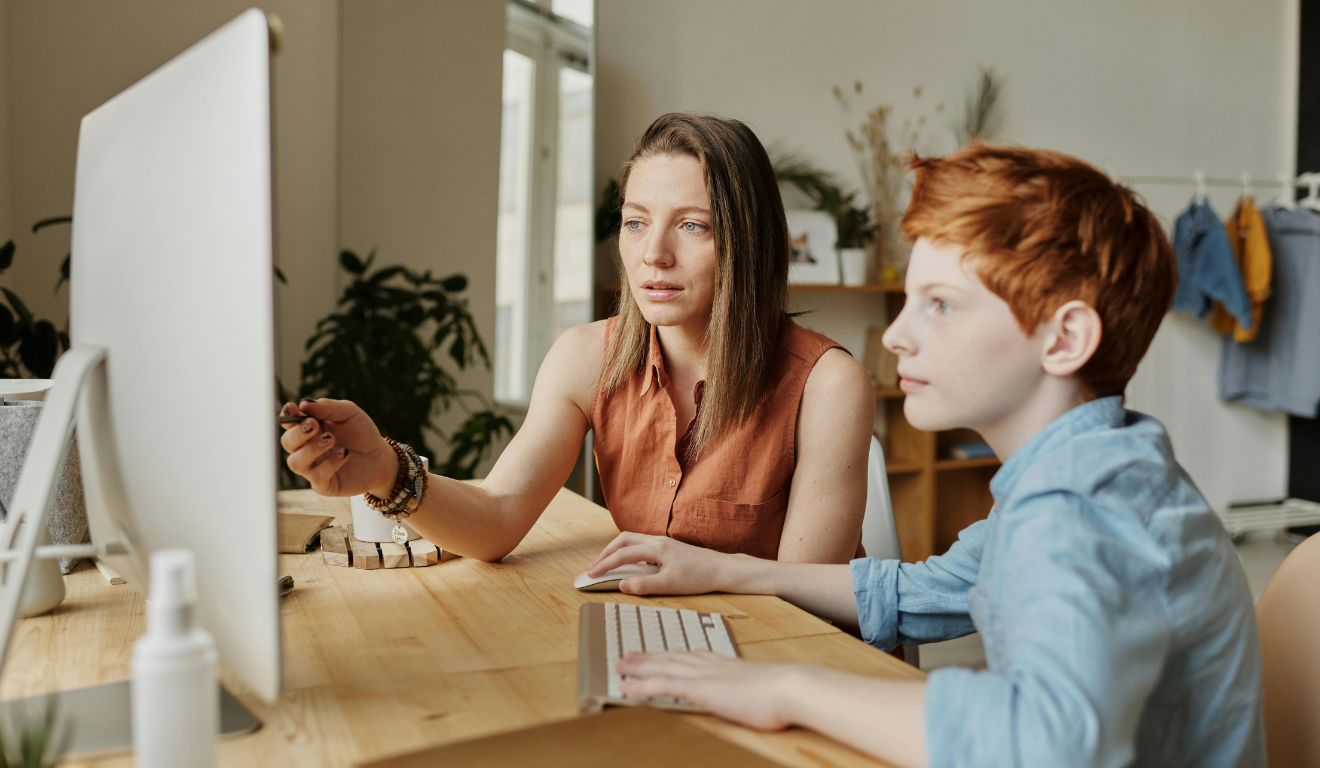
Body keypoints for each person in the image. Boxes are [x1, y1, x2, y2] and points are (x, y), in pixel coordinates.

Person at [587, 145, 1265, 768]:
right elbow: (923, 591)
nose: (898, 336)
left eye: (940, 305)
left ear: (1065, 340)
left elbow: (1044, 743)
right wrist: (724, 570)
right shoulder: (1092, 466)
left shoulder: (1078, 508)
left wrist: (787, 688)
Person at [278, 112, 875, 564]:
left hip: (787, 659)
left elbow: (806, 602)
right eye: (636, 222)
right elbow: (497, 518)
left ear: (749, 242)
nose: (653, 254)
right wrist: (387, 471)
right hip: (666, 638)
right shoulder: (586, 357)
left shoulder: (828, 386)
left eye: (692, 226)